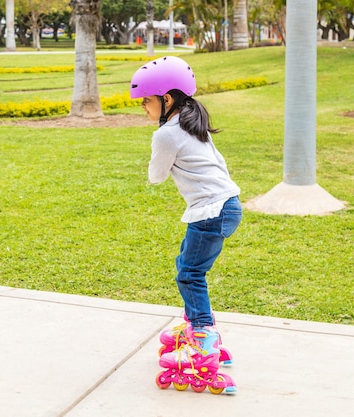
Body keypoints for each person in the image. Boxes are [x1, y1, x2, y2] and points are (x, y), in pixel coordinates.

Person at [130, 56, 241, 393]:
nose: (144, 109)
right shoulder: (195, 125)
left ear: (167, 100)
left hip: (210, 211)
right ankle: (196, 326)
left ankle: (204, 342)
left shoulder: (167, 134)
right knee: (186, 265)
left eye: (147, 101)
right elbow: (219, 163)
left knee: (190, 273)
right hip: (227, 205)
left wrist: (158, 148)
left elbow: (156, 176)